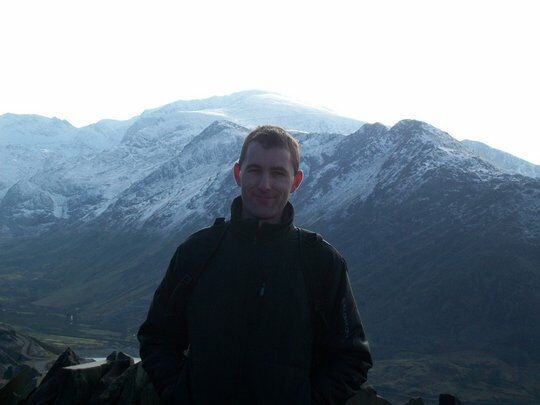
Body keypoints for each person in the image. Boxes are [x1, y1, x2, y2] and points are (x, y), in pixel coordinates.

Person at [137, 125, 373, 404]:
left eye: (278, 173)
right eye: (255, 170)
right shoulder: (198, 252)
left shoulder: (321, 263)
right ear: (238, 174)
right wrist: (180, 394)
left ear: (295, 181)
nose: (265, 184)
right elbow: (157, 337)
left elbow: (352, 357)